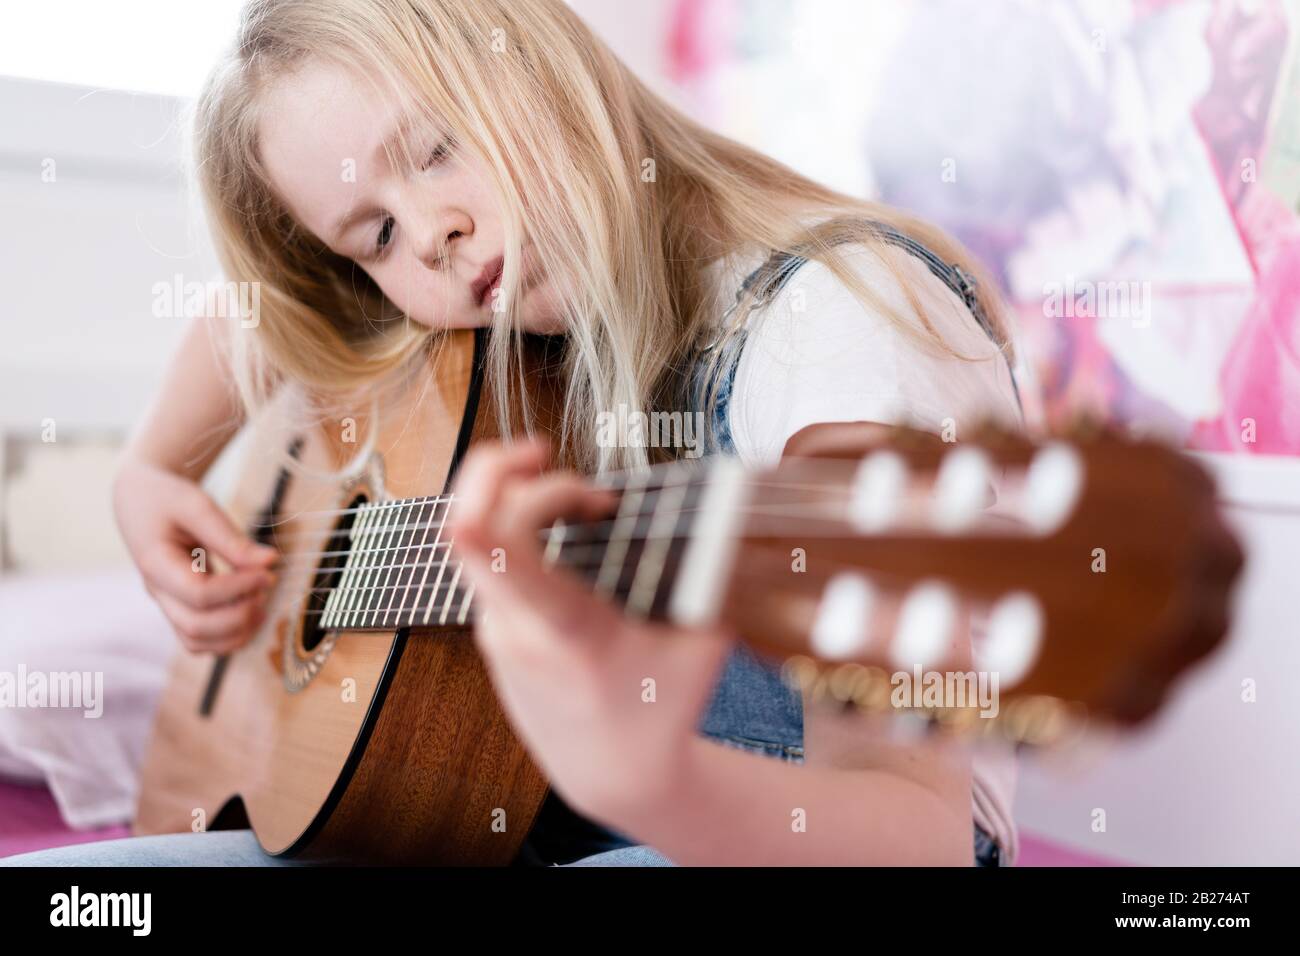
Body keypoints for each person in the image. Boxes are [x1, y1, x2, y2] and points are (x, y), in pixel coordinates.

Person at [2, 0, 1021, 867]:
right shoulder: (501, 330)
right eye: (378, 235)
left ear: (537, 55)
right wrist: (147, 471)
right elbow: (269, 305)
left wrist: (652, 775)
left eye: (437, 145)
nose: (433, 231)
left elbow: (915, 827)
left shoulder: (829, 325)